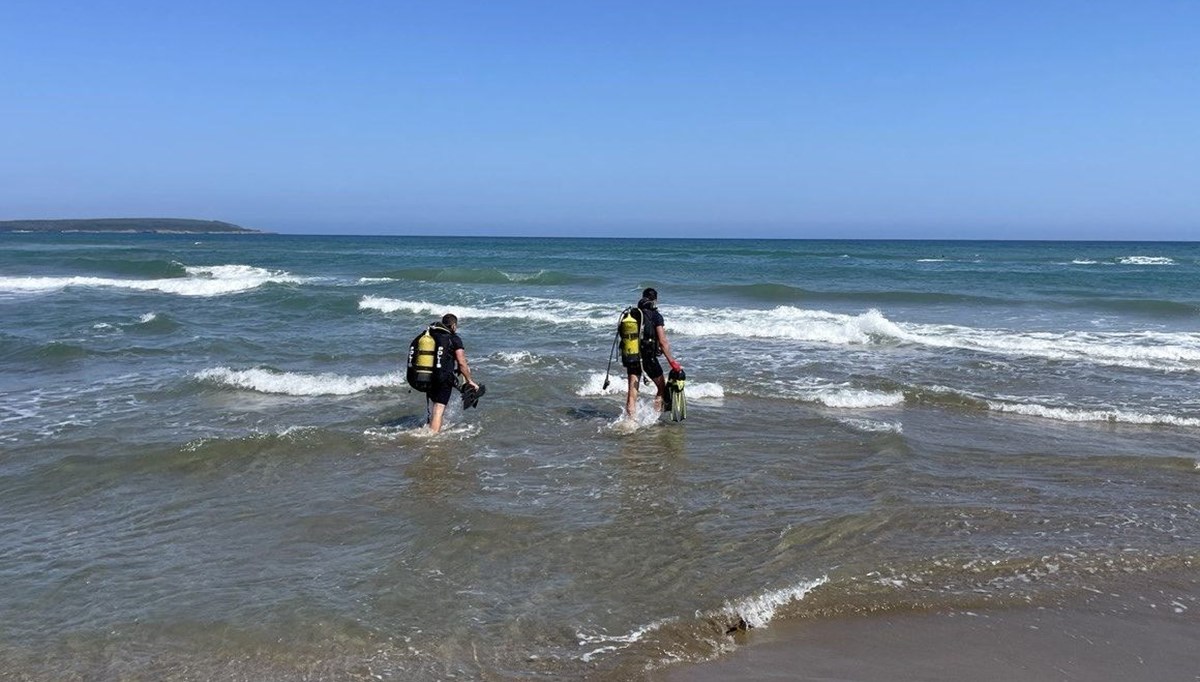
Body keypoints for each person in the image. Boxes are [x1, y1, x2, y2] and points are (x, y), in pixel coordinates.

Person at [626, 288, 682, 419]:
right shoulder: (656, 316)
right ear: (655, 300)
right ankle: (654, 418)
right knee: (661, 387)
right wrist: (672, 362)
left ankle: (630, 421)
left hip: (632, 355)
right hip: (648, 357)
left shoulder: (633, 314)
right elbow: (663, 342)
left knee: (632, 391)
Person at [423, 313, 478, 433]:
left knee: (435, 405)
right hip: (443, 377)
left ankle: (432, 427)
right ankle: (432, 438)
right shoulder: (454, 339)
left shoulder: (433, 336)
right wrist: (470, 381)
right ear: (453, 326)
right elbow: (462, 363)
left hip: (428, 376)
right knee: (439, 408)